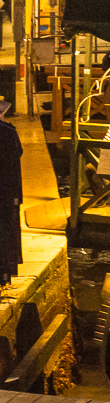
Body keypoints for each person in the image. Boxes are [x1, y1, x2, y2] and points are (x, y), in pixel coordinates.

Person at [0, 103, 21, 287]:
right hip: (5, 191)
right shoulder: (9, 133)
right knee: (5, 232)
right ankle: (4, 275)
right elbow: (17, 155)